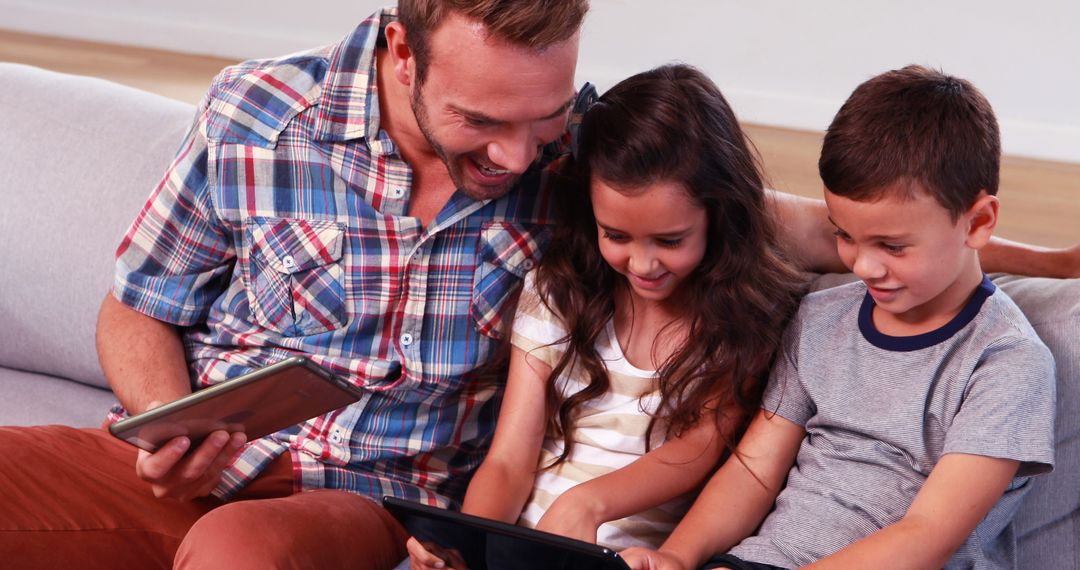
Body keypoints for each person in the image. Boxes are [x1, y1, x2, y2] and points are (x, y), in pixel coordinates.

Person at [0, 1, 1071, 567]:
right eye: (482, 121)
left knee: (238, 555)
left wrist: (1043, 258)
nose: (518, 157)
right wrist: (162, 417)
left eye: (543, 117)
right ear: (401, 53)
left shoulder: (586, 161)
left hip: (367, 496)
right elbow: (138, 301)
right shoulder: (256, 117)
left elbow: (796, 220)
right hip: (186, 459)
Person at [622, 65, 1056, 570]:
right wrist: (677, 556)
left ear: (978, 222)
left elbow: (927, 536)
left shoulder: (1006, 361)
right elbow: (753, 471)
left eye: (892, 246)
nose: (863, 266)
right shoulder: (821, 317)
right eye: (844, 236)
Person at [406, 63, 804, 569]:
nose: (643, 264)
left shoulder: (742, 317)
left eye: (670, 241)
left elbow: (700, 448)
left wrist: (588, 502)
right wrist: (469, 546)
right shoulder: (557, 291)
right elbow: (509, 459)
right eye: (616, 235)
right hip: (522, 550)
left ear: (719, 214)